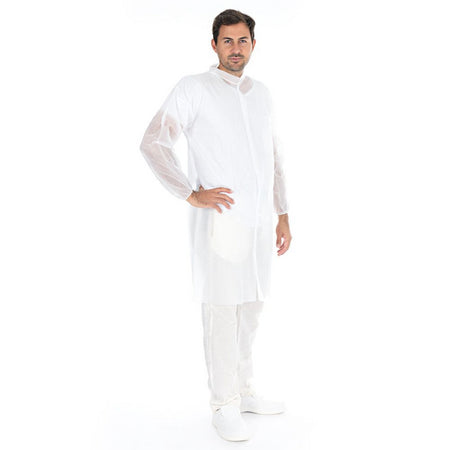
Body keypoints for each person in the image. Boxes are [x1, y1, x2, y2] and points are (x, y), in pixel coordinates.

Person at [139, 9, 292, 442]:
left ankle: (242, 390)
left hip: (259, 223)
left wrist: (282, 213)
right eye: (227, 41)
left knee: (252, 307)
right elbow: (154, 141)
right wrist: (190, 192)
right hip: (222, 222)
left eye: (243, 40)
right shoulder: (195, 89)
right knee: (222, 310)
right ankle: (222, 404)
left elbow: (272, 156)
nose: (235, 49)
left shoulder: (261, 94)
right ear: (214, 45)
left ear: (253, 45)